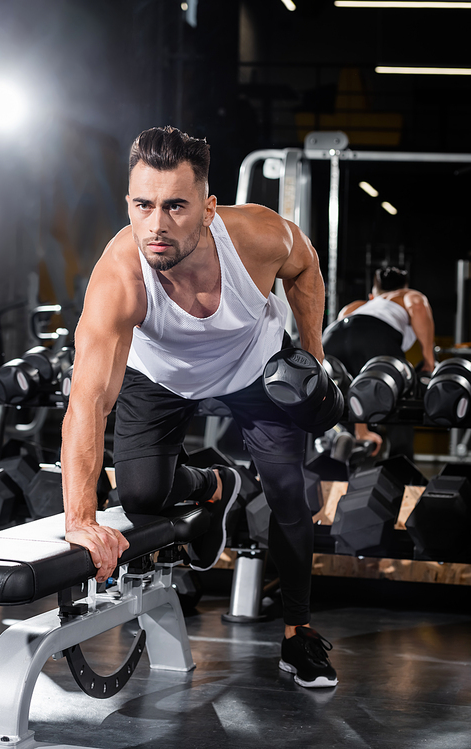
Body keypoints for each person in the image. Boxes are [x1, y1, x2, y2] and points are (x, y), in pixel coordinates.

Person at [61, 126, 337, 689]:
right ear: (130, 204)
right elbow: (87, 402)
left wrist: (313, 356)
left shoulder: (255, 236)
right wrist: (80, 520)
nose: (156, 225)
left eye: (175, 206)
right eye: (143, 205)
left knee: (288, 493)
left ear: (208, 209)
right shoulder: (120, 277)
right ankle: (216, 484)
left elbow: (305, 266)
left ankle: (299, 635)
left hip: (254, 365)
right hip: (160, 374)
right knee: (139, 493)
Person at [322, 266, 435, 457]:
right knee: (400, 395)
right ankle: (401, 467)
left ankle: (350, 439)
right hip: (375, 334)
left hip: (333, 336)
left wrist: (362, 427)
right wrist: (429, 362)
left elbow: (346, 321)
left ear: (373, 293)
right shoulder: (404, 295)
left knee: (340, 396)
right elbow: (417, 305)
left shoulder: (359, 305)